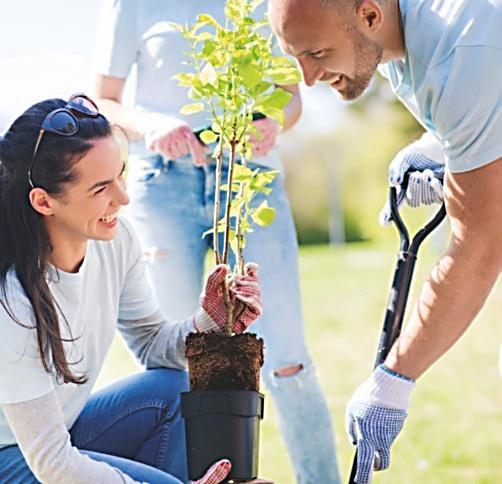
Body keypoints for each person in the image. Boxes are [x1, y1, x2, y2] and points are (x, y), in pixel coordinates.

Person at [94, 1, 341, 483]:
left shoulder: (270, 5)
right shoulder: (132, 6)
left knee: (288, 361)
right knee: (177, 364)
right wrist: (152, 125)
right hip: (164, 182)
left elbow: (289, 97)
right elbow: (103, 101)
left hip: (251, 179)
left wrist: (274, 121)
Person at [267, 0, 502, 482]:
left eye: (316, 52)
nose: (307, 78)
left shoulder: (463, 50)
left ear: (369, 15)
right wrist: (435, 146)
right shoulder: (394, 49)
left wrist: (394, 382)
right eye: (297, 58)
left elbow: (480, 246)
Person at [0, 94, 263, 484]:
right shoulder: (12, 303)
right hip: (14, 459)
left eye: (121, 174)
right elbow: (53, 464)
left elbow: (153, 344)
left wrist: (211, 320)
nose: (123, 198)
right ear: (44, 201)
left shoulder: (115, 240)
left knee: (172, 390)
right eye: (100, 188)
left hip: (61, 439)